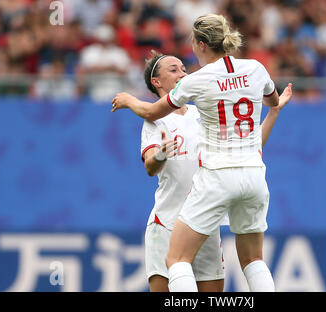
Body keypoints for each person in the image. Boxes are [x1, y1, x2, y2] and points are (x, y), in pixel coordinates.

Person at [112, 14, 293, 292]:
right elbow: (272, 99)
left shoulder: (198, 88)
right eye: (173, 69)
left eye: (183, 66)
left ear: (200, 45)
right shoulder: (256, 68)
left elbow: (149, 109)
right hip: (250, 178)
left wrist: (127, 99)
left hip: (213, 191)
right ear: (156, 82)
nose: (183, 72)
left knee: (177, 259)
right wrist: (275, 108)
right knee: (254, 260)